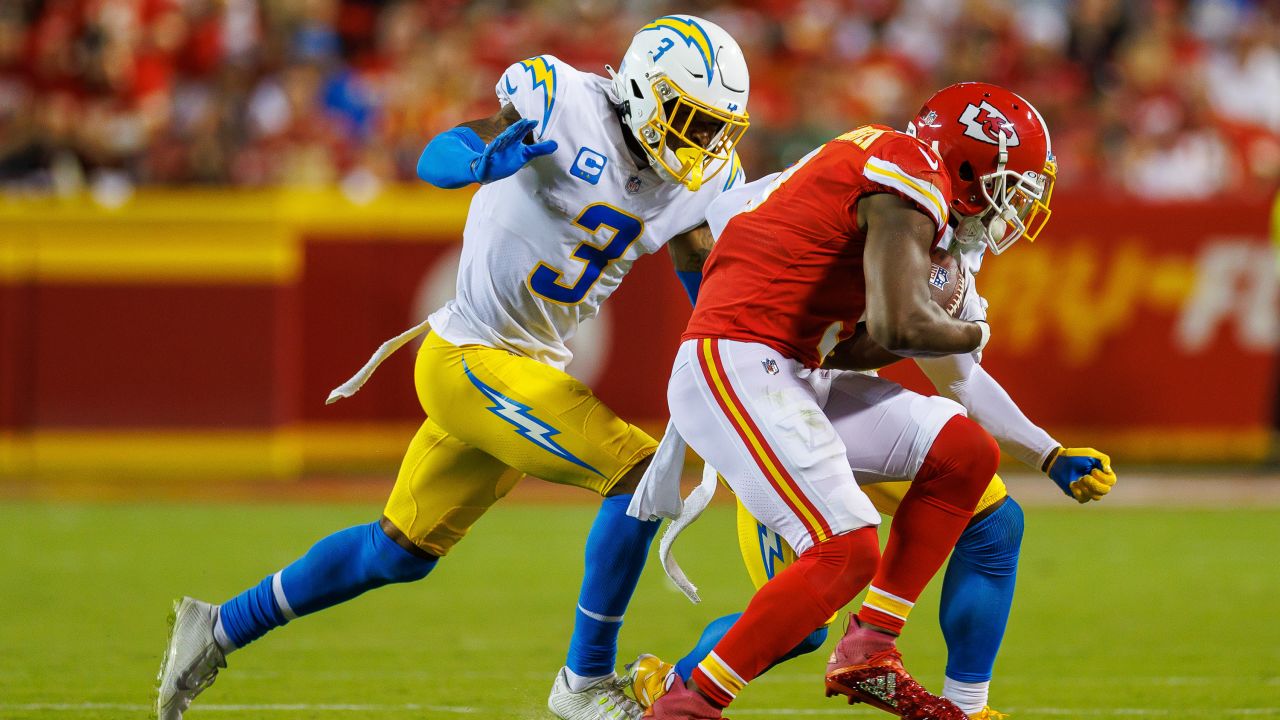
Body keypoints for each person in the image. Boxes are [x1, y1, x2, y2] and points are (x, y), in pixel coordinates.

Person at [154, 15, 751, 720]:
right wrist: (476, 160)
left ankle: (217, 626)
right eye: (690, 118)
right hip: (468, 355)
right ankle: (585, 683)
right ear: (646, 94)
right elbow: (444, 150)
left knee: (399, 551)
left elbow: (701, 272)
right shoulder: (563, 100)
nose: (703, 142)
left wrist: (737, 343)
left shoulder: (695, 184)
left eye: (716, 127)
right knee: (638, 473)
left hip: (526, 366)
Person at [645, 86, 1118, 720]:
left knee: (963, 452)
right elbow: (900, 328)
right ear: (970, 165)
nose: (1018, 205)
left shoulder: (924, 224)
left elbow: (960, 380)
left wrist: (1048, 452)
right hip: (739, 361)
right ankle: (683, 708)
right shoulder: (906, 166)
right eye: (1013, 182)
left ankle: (870, 647)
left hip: (792, 376)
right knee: (845, 551)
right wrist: (969, 328)